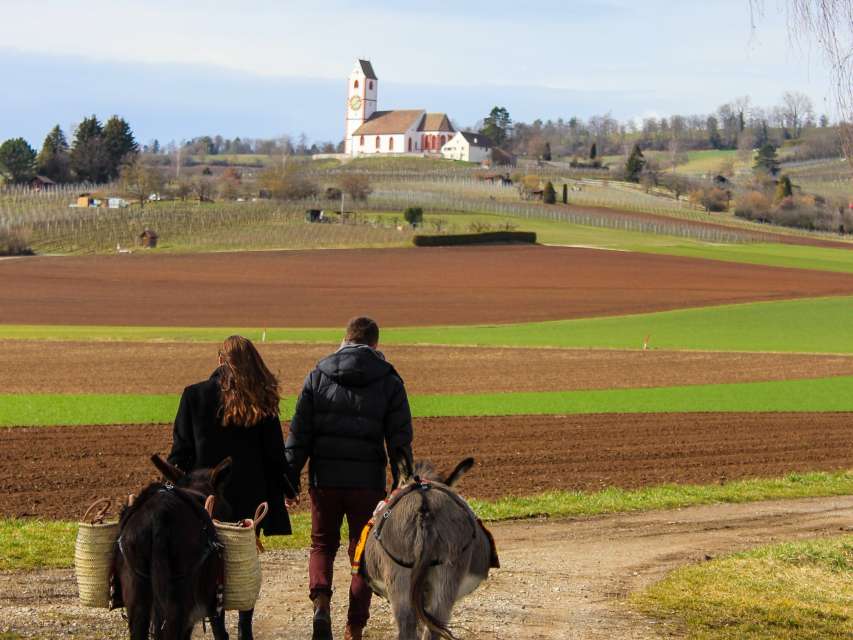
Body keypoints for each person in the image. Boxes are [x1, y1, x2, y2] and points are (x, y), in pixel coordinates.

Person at [285, 316, 413, 640]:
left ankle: (321, 605)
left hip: (323, 480)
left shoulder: (318, 375)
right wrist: (401, 484)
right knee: (363, 551)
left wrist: (289, 478)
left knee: (322, 545)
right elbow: (399, 441)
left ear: (344, 338)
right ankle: (354, 626)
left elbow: (299, 435)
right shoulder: (389, 380)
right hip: (367, 483)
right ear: (375, 344)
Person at [168, 335, 296, 640]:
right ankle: (246, 626)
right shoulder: (263, 400)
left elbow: (180, 453)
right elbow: (275, 456)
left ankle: (218, 627)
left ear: (219, 360)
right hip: (251, 497)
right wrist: (290, 488)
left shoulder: (193, 395)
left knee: (210, 559)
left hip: (207, 498)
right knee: (242, 561)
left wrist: (174, 487)